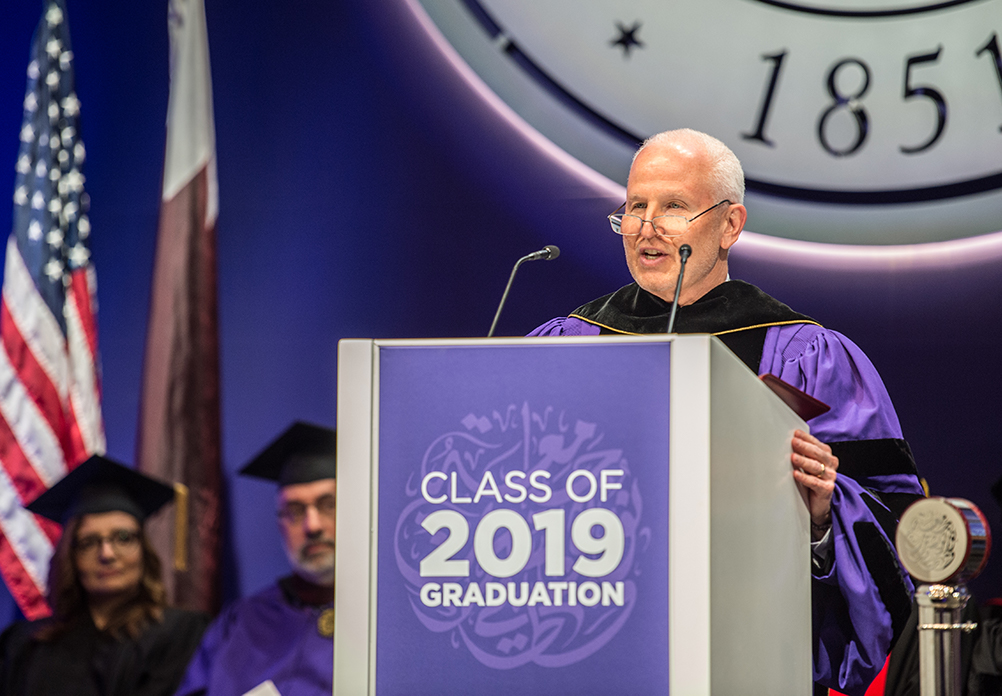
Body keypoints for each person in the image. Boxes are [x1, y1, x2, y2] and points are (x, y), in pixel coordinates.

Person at [529, 128, 926, 696]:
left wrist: (819, 520)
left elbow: (898, 532)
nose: (647, 227)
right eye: (636, 206)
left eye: (674, 207)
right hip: (582, 651)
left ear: (730, 225)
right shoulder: (565, 343)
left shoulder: (805, 356)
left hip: (744, 657)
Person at [0, 455, 210, 696]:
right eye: (89, 542)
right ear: (70, 557)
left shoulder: (180, 633)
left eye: (123, 538)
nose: (107, 554)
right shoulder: (25, 645)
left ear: (144, 550)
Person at [174, 422, 337, 696]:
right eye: (294, 511)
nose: (312, 526)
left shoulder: (387, 619)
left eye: (328, 504)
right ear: (279, 525)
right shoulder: (239, 624)